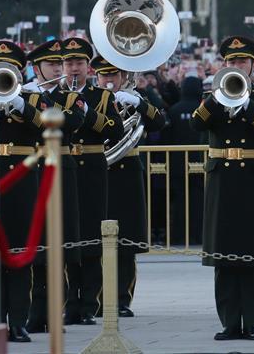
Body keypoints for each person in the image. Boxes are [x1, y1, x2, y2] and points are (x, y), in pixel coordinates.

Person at [190, 36, 254, 341]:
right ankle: (229, 321)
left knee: (253, 253)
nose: (236, 65)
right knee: (223, 254)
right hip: (222, 181)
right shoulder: (212, 97)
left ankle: (252, 321)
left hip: (252, 180)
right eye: (231, 61)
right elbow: (196, 124)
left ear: (253, 65)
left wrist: (247, 104)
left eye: (242, 61)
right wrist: (217, 100)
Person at [92, 55, 167, 318]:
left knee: (125, 242)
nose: (109, 79)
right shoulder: (88, 99)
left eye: (113, 75)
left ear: (124, 76)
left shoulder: (136, 99)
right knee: (95, 241)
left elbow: (159, 122)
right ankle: (95, 299)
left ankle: (122, 299)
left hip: (127, 174)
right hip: (96, 174)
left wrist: (139, 104)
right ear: (96, 77)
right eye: (104, 75)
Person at [61, 38, 124, 326]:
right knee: (66, 236)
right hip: (64, 168)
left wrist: (88, 114)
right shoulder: (53, 96)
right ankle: (68, 303)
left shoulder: (102, 97)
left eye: (79, 63)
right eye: (69, 63)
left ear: (88, 67)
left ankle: (89, 304)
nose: (74, 69)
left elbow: (115, 129)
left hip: (92, 170)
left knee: (91, 236)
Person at [24, 38, 84, 334]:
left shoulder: (70, 97)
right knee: (33, 242)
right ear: (37, 68)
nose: (59, 69)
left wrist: (34, 103)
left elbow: (69, 122)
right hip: (30, 172)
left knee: (58, 245)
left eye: (60, 64)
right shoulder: (22, 94)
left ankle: (54, 311)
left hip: (60, 172)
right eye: (52, 64)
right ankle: (32, 313)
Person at [0, 41, 43, 343]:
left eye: (9, 68)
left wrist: (20, 106)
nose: (3, 72)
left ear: (20, 71)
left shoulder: (32, 98)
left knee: (21, 252)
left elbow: (48, 127)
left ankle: (19, 321)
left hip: (22, 181)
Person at [163, 74, 208, 245]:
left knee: (179, 201)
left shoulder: (174, 110)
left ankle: (178, 236)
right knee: (199, 199)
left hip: (177, 163)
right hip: (201, 162)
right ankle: (199, 236)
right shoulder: (203, 109)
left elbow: (167, 137)